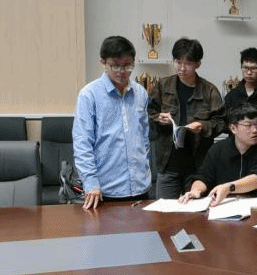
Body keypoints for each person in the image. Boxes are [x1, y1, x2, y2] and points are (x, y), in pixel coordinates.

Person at [73, 35, 152, 210]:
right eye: (115, 65)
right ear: (103, 62)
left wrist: (145, 171)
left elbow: (144, 138)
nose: (122, 71)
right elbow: (82, 143)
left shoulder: (140, 93)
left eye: (128, 65)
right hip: (104, 191)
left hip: (140, 188)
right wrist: (91, 182)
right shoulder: (89, 95)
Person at [148, 37, 225, 199]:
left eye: (188, 63)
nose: (182, 68)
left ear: (198, 64)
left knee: (197, 212)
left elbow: (222, 121)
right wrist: (158, 118)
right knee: (164, 211)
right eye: (178, 62)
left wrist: (202, 126)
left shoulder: (209, 90)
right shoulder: (163, 85)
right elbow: (148, 113)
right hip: (168, 163)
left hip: (198, 166)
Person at [179, 104, 257, 206]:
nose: (255, 130)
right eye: (248, 125)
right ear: (233, 128)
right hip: (226, 206)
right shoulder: (218, 149)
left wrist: (229, 188)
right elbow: (203, 177)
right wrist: (196, 191)